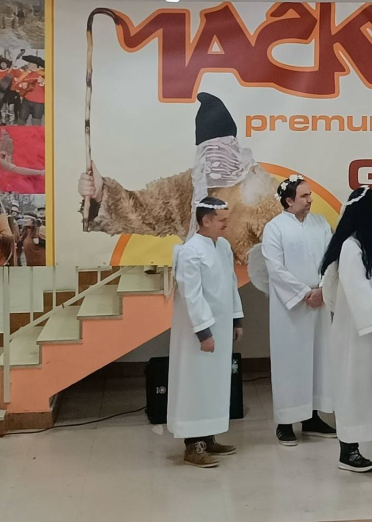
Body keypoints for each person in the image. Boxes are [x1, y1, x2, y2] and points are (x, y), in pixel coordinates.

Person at [79, 93, 282, 265]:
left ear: (235, 146)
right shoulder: (188, 188)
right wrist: (100, 194)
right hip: (198, 282)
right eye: (209, 150)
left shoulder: (263, 191)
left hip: (249, 286)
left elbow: (285, 248)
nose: (217, 158)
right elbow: (142, 210)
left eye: (222, 148)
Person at [319, 186, 372, 473]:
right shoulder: (350, 247)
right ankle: (349, 451)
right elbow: (358, 292)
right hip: (356, 335)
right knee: (355, 389)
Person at [167, 197, 245, 468]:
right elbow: (192, 295)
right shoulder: (190, 251)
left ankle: (209, 436)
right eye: (222, 220)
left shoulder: (222, 246)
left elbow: (231, 283)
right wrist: (204, 332)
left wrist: (236, 319)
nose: (227, 224)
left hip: (221, 328)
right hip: (199, 333)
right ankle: (193, 446)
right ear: (205, 221)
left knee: (214, 384)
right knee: (196, 385)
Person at [262, 175, 336, 446]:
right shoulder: (275, 228)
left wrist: (323, 289)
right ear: (289, 200)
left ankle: (312, 417)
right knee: (290, 362)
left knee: (318, 359)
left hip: (319, 303)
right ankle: (285, 422)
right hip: (290, 309)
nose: (310, 200)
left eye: (309, 195)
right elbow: (275, 268)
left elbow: (331, 259)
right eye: (304, 196)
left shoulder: (320, 223)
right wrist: (304, 293)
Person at [14, 55, 45, 125]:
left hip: (39, 102)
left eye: (30, 63)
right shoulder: (26, 74)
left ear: (35, 64)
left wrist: (43, 82)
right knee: (21, 120)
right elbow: (16, 85)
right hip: (26, 100)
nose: (28, 64)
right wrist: (21, 85)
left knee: (36, 123)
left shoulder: (45, 74)